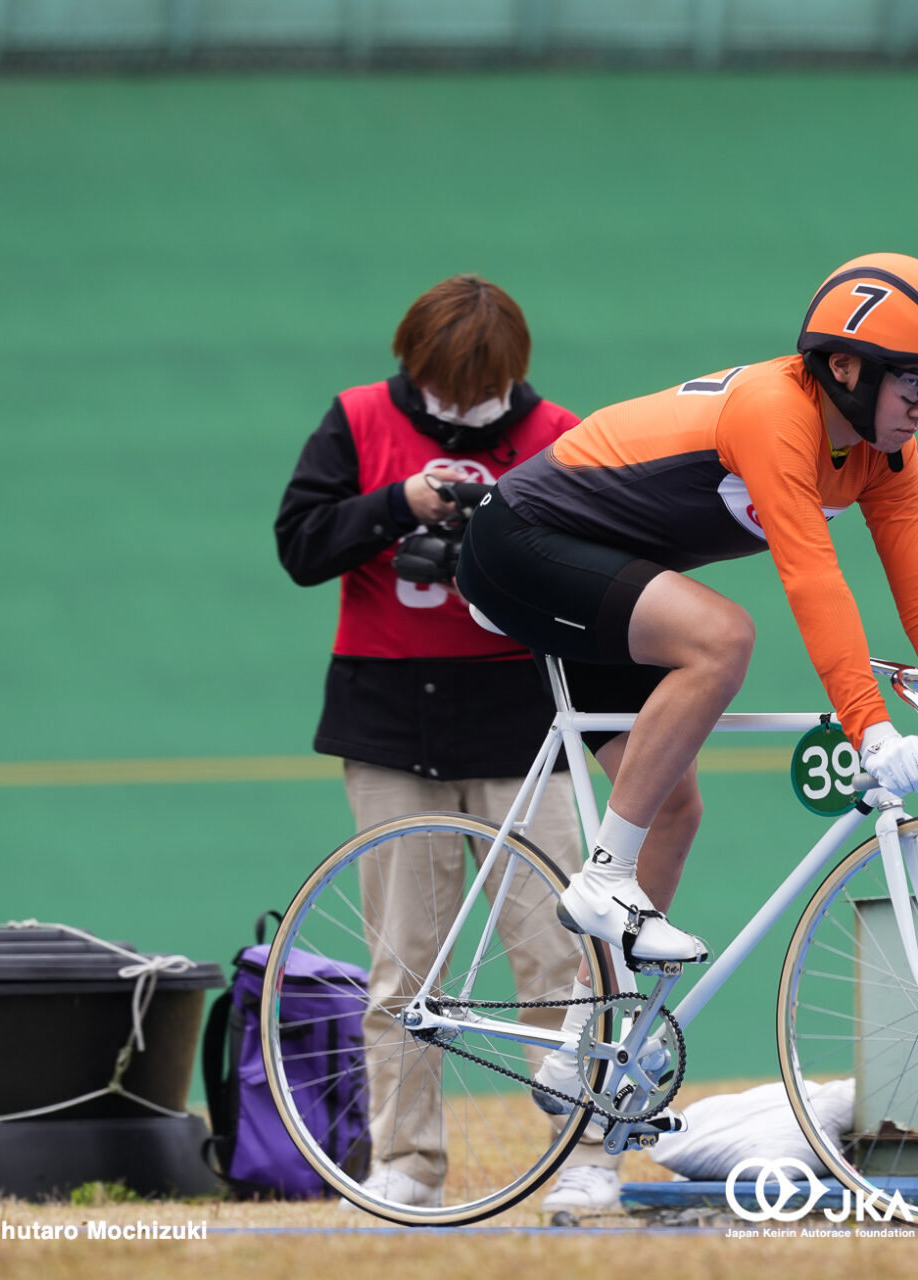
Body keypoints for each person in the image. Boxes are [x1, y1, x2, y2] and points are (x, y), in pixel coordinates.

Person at [454, 254, 918, 1105]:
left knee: (671, 802)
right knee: (723, 638)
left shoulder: (883, 455)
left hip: (609, 568)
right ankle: (600, 881)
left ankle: (590, 1043)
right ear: (844, 368)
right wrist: (869, 728)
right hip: (522, 542)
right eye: (912, 383)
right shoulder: (777, 410)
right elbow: (812, 577)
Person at [274, 273, 629, 1217]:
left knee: (558, 951)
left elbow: (612, 567)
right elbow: (301, 546)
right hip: (392, 722)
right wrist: (402, 503)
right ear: (410, 364)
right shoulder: (356, 420)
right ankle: (406, 1166)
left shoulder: (556, 432)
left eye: (476, 391)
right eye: (438, 388)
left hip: (527, 723)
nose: (457, 408)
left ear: (511, 375)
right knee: (406, 961)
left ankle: (587, 1150)